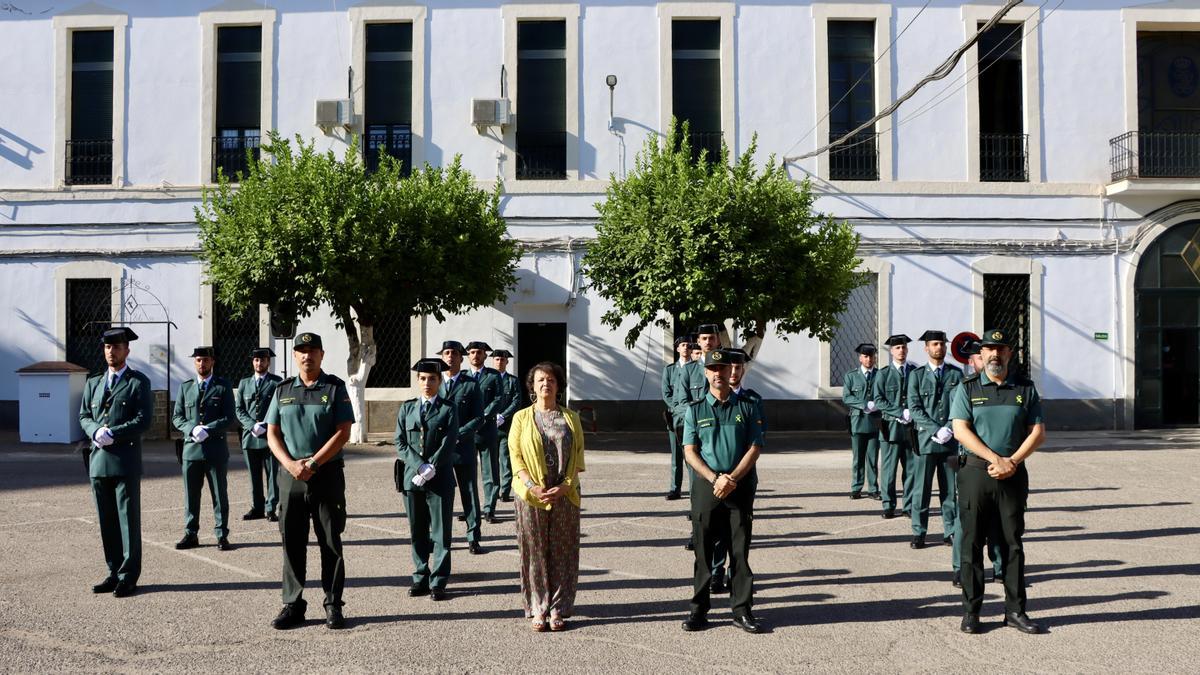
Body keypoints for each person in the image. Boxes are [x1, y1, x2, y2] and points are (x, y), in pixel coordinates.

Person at [951, 328, 1045, 635]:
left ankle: (1015, 611)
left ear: (1009, 354)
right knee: (972, 543)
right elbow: (961, 429)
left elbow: (1037, 432)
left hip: (1013, 474)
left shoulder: (1026, 389)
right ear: (980, 355)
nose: (994, 354)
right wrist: (995, 460)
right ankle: (971, 612)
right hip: (976, 475)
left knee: (1012, 545)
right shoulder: (967, 388)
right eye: (988, 349)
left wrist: (1012, 462)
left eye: (1000, 349)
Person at [265, 332, 355, 630]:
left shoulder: (335, 388)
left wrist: (314, 463)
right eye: (301, 351)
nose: (307, 356)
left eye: (313, 350)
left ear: (322, 354)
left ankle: (333, 604)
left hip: (326, 473)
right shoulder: (282, 390)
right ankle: (293, 604)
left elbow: (343, 432)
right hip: (291, 476)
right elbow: (272, 433)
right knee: (292, 540)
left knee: (330, 540)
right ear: (294, 356)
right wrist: (291, 464)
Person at [680, 349, 765, 634]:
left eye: (722, 368)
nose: (718, 373)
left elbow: (755, 447)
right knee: (703, 554)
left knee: (739, 552)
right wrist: (715, 478)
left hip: (738, 487)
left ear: (731, 371)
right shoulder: (695, 409)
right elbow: (689, 452)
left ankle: (742, 610)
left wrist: (731, 479)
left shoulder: (747, 406)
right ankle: (699, 611)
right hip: (706, 488)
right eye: (712, 369)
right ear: (705, 373)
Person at [509, 361, 585, 632]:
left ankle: (558, 609)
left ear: (558, 385)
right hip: (531, 495)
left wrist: (566, 485)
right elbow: (515, 457)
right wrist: (531, 485)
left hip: (564, 493)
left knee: (563, 550)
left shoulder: (571, 418)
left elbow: (578, 458)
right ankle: (537, 607)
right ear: (533, 386)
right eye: (540, 379)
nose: (545, 384)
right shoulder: (521, 418)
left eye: (551, 379)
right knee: (534, 550)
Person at [79, 327, 153, 598]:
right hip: (98, 461)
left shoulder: (137, 382)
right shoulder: (94, 383)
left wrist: (113, 433)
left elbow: (144, 420)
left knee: (127, 521)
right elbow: (84, 414)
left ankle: (129, 575)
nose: (112, 351)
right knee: (106, 520)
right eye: (108, 347)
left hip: (125, 461)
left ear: (127, 350)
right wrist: (94, 430)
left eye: (117, 347)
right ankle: (113, 571)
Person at [395, 358, 459, 601]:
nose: (427, 383)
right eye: (422, 379)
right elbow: (400, 442)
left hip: (440, 478)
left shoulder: (449, 409)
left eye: (432, 378)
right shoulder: (407, 408)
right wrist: (419, 466)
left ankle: (439, 581)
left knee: (441, 534)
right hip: (413, 480)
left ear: (439, 381)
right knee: (417, 531)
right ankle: (420, 577)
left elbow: (450, 440)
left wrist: (432, 465)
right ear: (417, 381)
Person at [172, 346, 236, 551]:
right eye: (198, 360)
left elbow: (229, 417)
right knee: (191, 496)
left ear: (212, 362)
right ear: (194, 362)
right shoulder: (185, 387)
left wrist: (209, 429)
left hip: (215, 449)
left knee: (219, 495)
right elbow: (177, 417)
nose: (202, 364)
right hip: (191, 451)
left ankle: (221, 534)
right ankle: (191, 534)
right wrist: (192, 429)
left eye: (206, 360)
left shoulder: (223, 386)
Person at [907, 331, 963, 552]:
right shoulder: (917, 376)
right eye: (934, 344)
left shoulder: (955, 375)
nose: (939, 347)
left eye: (942, 344)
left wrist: (948, 428)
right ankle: (919, 531)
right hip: (926, 441)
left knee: (950, 490)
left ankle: (949, 530)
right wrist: (935, 430)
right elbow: (915, 408)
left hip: (949, 442)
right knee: (921, 489)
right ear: (926, 348)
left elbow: (959, 405)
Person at [957, 338, 1003, 586]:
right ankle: (959, 569)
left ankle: (999, 566)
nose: (979, 361)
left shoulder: (1002, 385)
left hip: (999, 464)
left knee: (999, 523)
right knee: (967, 525)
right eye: (976, 358)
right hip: (970, 462)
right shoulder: (965, 386)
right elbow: (958, 421)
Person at [674, 324, 722, 553]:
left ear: (717, 341)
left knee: (721, 484)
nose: (708, 342)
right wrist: (698, 421)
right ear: (699, 342)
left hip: (721, 436)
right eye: (704, 338)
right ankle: (697, 532)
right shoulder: (688, 370)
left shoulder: (724, 367)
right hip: (697, 438)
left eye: (712, 338)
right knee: (696, 488)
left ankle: (720, 532)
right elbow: (680, 403)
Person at [438, 340, 486, 554]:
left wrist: (458, 434)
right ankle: (439, 537)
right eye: (446, 353)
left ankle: (473, 536)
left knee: (469, 492)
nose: (450, 357)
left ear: (461, 357)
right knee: (439, 495)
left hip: (463, 447)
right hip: (439, 450)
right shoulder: (435, 382)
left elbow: (479, 417)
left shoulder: (470, 384)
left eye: (454, 353)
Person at [235, 347, 283, 522]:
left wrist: (266, 425)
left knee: (272, 475)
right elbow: (239, 409)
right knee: (254, 475)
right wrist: (251, 425)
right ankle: (257, 507)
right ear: (252, 362)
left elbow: (280, 407)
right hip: (250, 436)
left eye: (263, 360)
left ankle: (271, 508)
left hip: (270, 436)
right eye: (256, 360)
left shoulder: (277, 383)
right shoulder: (244, 383)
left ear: (268, 362)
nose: (259, 363)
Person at [873, 334, 917, 519]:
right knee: (889, 471)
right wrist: (899, 412)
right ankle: (888, 505)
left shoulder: (915, 372)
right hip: (890, 428)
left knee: (911, 469)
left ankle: (908, 505)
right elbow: (878, 400)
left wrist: (911, 414)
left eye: (904, 347)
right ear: (891, 351)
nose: (901, 351)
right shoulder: (883, 374)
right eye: (898, 348)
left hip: (911, 429)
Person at [465, 341, 504, 523]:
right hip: (468, 432)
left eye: (479, 352)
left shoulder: (494, 376)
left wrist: (483, 414)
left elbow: (499, 398)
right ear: (468, 355)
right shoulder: (463, 377)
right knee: (469, 474)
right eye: (472, 352)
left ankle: (489, 508)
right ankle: (471, 509)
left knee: (490, 472)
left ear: (485, 355)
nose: (475, 355)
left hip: (487, 429)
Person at [842, 343, 881, 500]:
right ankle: (856, 487)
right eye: (865, 356)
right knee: (858, 458)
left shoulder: (880, 375)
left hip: (876, 421)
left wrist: (877, 404)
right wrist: (864, 404)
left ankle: (873, 489)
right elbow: (846, 397)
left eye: (871, 356)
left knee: (872, 458)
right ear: (860, 358)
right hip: (858, 421)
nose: (869, 359)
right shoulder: (851, 376)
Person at [662, 335, 692, 500]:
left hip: (692, 418)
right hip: (675, 418)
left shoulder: (696, 369)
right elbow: (666, 394)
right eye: (683, 345)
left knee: (693, 455)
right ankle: (675, 488)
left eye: (688, 345)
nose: (686, 348)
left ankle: (695, 488)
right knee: (676, 455)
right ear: (677, 349)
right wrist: (678, 410)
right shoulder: (670, 370)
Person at [491, 349, 521, 503]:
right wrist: (491, 415)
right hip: (489, 426)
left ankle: (505, 491)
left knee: (505, 459)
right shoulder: (487, 379)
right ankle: (493, 491)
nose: (500, 362)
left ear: (507, 362)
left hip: (506, 426)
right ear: (493, 361)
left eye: (502, 360)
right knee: (491, 461)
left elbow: (517, 401)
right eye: (497, 359)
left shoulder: (512, 381)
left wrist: (504, 415)